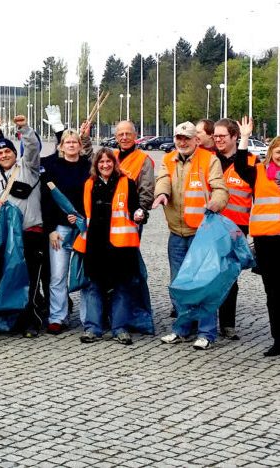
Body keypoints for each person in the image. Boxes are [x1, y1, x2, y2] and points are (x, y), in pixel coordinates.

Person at [153, 121, 228, 351]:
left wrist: (216, 203)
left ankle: (206, 332)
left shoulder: (209, 159)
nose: (182, 142)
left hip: (201, 234)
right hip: (177, 232)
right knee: (180, 284)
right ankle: (182, 329)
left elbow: (220, 189)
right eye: (179, 138)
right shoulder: (168, 159)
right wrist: (162, 194)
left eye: (187, 138)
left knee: (204, 283)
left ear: (196, 140)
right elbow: (163, 179)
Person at [73, 148, 145, 345]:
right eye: (101, 162)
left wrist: (140, 214)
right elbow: (82, 213)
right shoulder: (89, 185)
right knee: (94, 287)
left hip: (121, 247)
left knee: (121, 287)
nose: (105, 165)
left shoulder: (127, 183)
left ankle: (120, 328)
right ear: (96, 165)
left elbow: (136, 208)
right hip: (95, 245)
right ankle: (92, 328)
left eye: (108, 161)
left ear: (115, 163)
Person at [0, 115, 44, 337]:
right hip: (5, 236)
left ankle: (31, 320)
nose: (4, 155)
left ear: (14, 152)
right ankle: (9, 318)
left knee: (29, 277)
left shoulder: (28, 167)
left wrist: (24, 128)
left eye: (7, 151)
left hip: (30, 232)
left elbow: (32, 148)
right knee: (7, 277)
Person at [41, 126, 92, 335]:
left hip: (83, 228)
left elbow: (91, 196)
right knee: (58, 275)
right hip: (60, 229)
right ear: (61, 146)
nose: (71, 145)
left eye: (75, 142)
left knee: (86, 275)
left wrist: (82, 217)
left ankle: (89, 318)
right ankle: (57, 317)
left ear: (80, 146)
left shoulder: (89, 168)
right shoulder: (53, 167)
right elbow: (47, 200)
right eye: (67, 142)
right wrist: (51, 228)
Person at [236, 119, 280, 356]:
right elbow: (240, 166)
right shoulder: (260, 173)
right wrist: (244, 138)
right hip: (266, 243)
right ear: (271, 152)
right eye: (277, 151)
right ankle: (278, 339)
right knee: (272, 293)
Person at [213, 118, 255, 340]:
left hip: (237, 228)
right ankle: (206, 323)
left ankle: (228, 324)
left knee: (230, 276)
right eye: (215, 136)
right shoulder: (210, 160)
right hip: (210, 226)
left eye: (222, 136)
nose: (218, 140)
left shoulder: (251, 161)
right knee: (208, 273)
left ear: (234, 137)